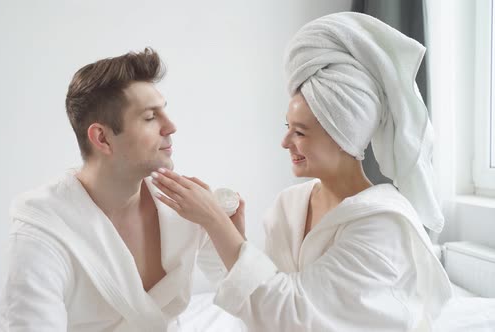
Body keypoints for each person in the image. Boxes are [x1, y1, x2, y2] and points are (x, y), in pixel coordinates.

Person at [151, 12, 452, 331]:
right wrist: (229, 236)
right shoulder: (290, 205)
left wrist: (214, 221)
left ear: (343, 136)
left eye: (300, 132)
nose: (285, 142)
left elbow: (291, 314)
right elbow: (254, 299)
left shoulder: (382, 226)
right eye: (287, 127)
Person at [0, 48, 228, 332]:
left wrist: (220, 225)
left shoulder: (184, 206)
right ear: (102, 138)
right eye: (151, 117)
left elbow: (254, 300)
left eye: (164, 111)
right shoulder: (42, 235)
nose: (171, 126)